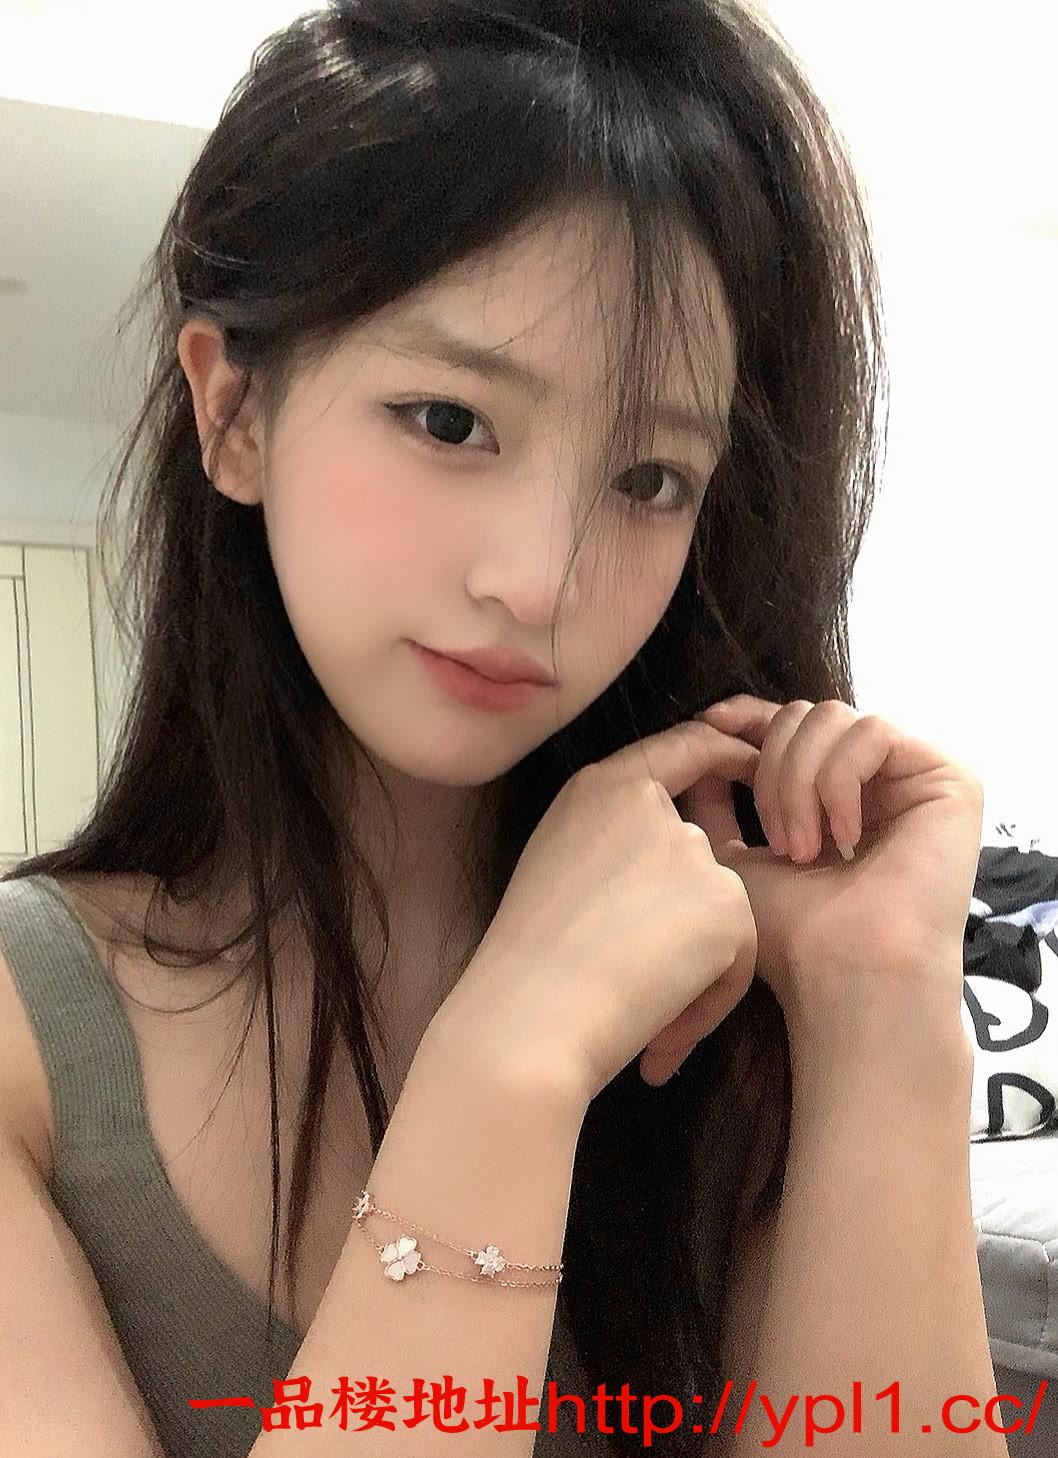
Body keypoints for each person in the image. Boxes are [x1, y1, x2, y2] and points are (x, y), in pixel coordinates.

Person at [0, 2, 1004, 1456]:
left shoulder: (732, 1020)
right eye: (449, 421)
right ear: (234, 415)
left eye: (650, 479)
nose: (538, 583)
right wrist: (511, 1059)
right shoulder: (31, 1036)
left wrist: (878, 1003)